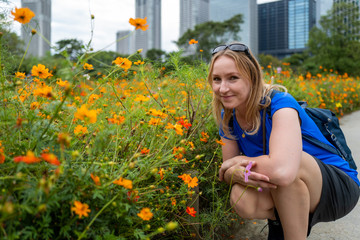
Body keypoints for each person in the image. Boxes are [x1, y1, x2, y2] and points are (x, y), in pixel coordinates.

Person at [207, 42, 360, 240]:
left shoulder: (281, 103)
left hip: (337, 188)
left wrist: (234, 164)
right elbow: (227, 173)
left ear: (252, 78)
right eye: (216, 79)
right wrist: (233, 172)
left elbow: (282, 171)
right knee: (240, 196)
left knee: (290, 165)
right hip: (287, 186)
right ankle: (286, 222)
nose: (223, 88)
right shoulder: (227, 115)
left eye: (233, 78)